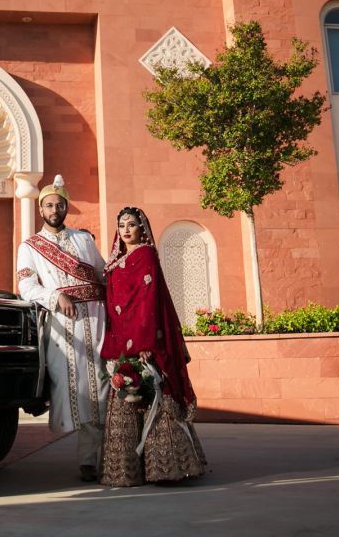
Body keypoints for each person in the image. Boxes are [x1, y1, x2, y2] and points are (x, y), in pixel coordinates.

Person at [98, 206, 207, 487]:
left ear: (142, 228)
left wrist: (145, 342)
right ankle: (126, 471)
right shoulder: (114, 263)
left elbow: (148, 300)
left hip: (145, 340)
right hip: (120, 341)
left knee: (155, 399)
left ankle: (166, 468)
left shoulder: (145, 255)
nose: (126, 230)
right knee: (125, 402)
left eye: (132, 224)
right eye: (121, 225)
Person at [17, 175, 108, 482]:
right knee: (78, 390)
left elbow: (103, 274)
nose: (54, 210)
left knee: (103, 386)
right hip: (62, 324)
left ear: (66, 207)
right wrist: (55, 297)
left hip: (97, 319)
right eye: (49, 205)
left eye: (59, 205)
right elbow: (26, 286)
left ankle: (101, 459)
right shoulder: (30, 247)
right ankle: (88, 459)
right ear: (40, 209)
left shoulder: (84, 240)